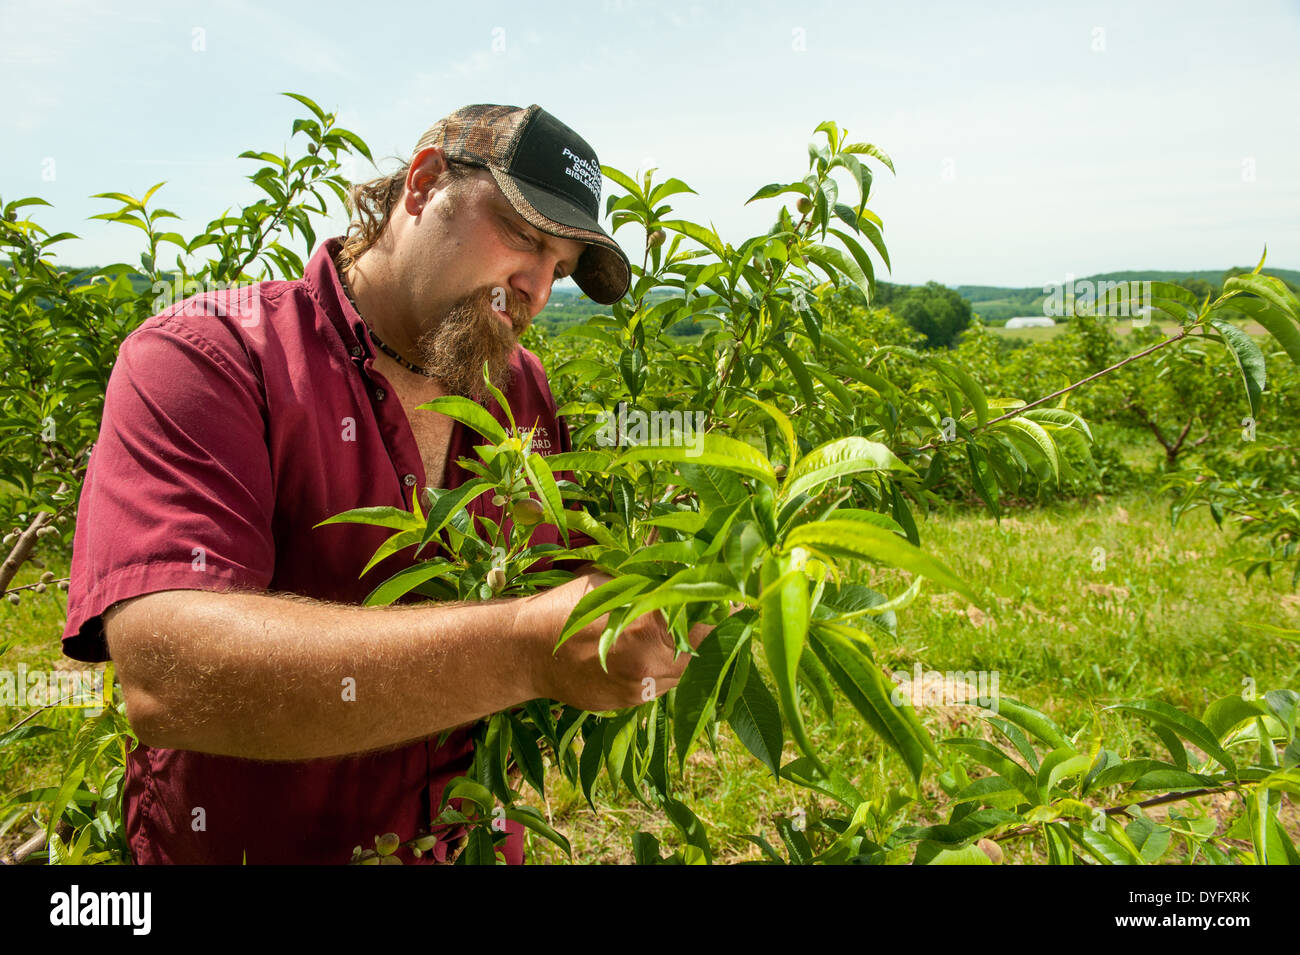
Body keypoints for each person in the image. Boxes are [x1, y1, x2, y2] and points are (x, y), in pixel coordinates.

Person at [61, 103, 706, 865]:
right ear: (424, 182)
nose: (534, 288)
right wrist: (529, 648)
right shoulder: (208, 355)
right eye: (523, 236)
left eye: (558, 269)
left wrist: (656, 600)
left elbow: (558, 595)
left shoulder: (522, 393)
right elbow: (168, 672)